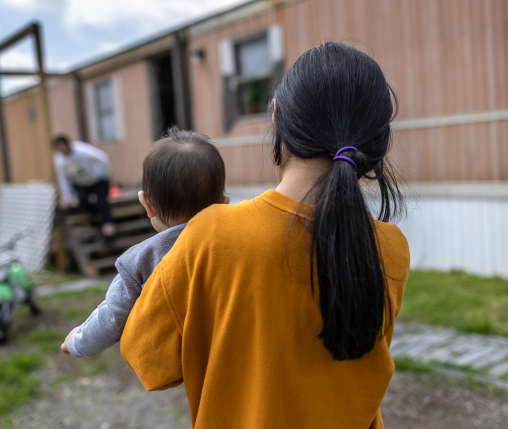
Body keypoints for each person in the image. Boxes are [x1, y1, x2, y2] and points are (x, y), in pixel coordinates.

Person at [120, 43, 410, 429]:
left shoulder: (210, 234)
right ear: (376, 145)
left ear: (276, 116)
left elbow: (149, 359)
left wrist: (165, 245)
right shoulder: (391, 248)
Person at [60, 127, 228, 358]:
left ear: (147, 204)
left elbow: (112, 316)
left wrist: (77, 342)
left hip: (180, 357)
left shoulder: (140, 260)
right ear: (224, 203)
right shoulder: (234, 242)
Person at [53, 135, 116, 239]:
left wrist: (103, 174)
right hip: (81, 183)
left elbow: (103, 158)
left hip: (98, 180)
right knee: (82, 200)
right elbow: (63, 180)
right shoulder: (60, 161)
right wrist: (66, 199)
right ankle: (97, 219)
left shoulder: (82, 150)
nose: (62, 148)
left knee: (101, 201)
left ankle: (108, 225)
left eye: (63, 145)